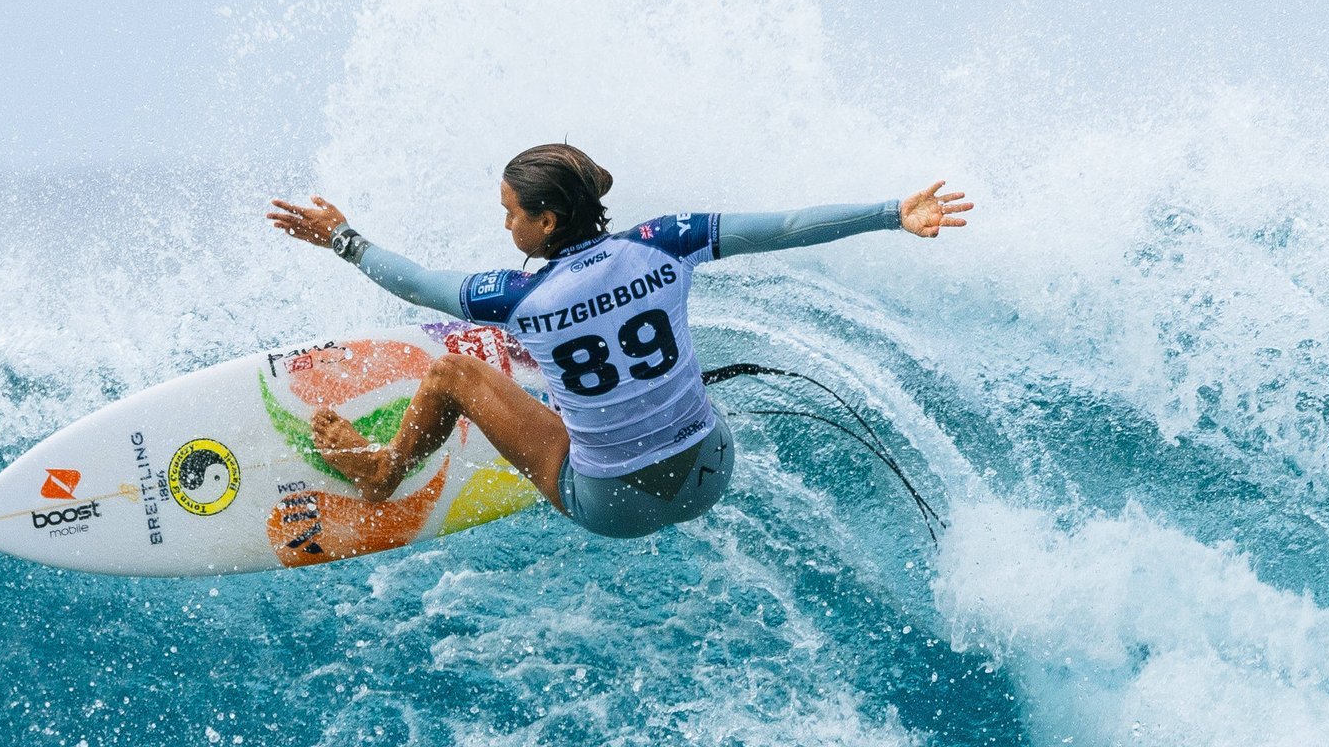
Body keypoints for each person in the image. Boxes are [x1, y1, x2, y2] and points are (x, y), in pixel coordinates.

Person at [266, 144, 972, 539]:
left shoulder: (516, 296)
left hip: (610, 506)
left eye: (512, 215)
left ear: (546, 223)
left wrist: (341, 238)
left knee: (455, 370)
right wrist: (891, 213)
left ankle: (383, 472)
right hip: (711, 473)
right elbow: (787, 226)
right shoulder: (667, 242)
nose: (506, 226)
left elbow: (417, 284)